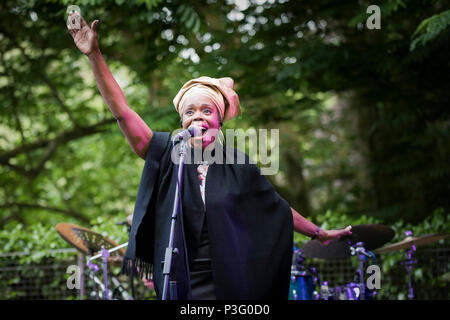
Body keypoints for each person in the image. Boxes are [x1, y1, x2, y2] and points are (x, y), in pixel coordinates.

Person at [67, 12, 352, 300]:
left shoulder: (238, 164)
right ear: (181, 123)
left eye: (206, 111)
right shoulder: (167, 152)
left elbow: (276, 208)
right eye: (189, 113)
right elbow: (122, 112)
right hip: (180, 280)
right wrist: (94, 55)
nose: (197, 118)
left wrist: (319, 233)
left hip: (231, 280)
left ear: (219, 121)